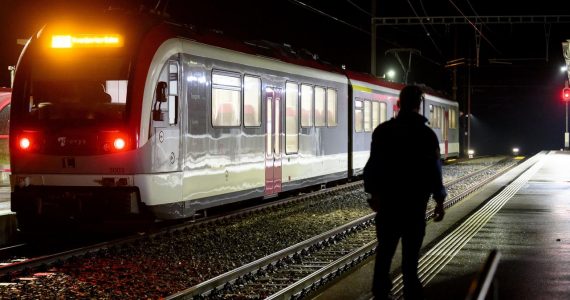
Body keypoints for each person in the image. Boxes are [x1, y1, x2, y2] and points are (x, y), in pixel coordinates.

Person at [363, 85, 447, 300]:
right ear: (419, 104)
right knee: (410, 256)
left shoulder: (383, 131)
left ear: (399, 103)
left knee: (385, 253)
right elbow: (434, 171)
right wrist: (439, 199)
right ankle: (411, 291)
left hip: (389, 204)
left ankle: (380, 292)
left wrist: (372, 193)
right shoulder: (426, 135)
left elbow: (372, 166)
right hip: (414, 205)